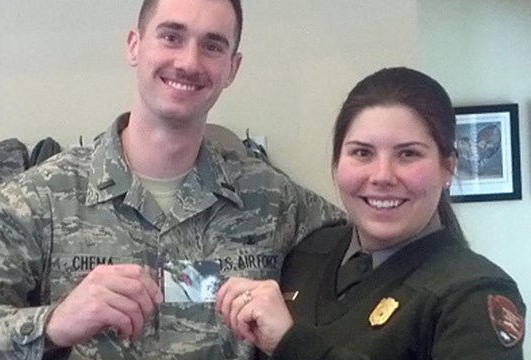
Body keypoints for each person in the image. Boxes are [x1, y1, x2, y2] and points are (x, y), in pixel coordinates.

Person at [0, 0, 344, 358]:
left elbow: (381, 261)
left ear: (232, 67)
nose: (188, 61)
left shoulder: (271, 199)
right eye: (171, 36)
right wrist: (49, 325)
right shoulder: (44, 200)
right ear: (135, 45)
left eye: (212, 45)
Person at [216, 67, 526, 359]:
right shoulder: (309, 252)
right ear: (338, 162)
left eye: (408, 154)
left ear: (449, 167)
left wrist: (291, 345)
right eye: (362, 153)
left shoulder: (472, 292)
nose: (382, 176)